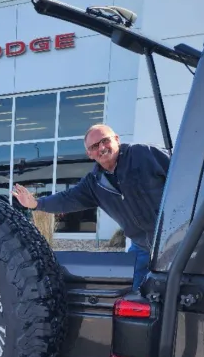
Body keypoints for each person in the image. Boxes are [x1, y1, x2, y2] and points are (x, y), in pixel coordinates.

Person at [12, 124, 172, 290]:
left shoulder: (144, 154)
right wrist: (37, 204)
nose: (102, 148)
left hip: (175, 241)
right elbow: (66, 199)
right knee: (136, 294)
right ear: (89, 154)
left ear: (116, 139)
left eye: (105, 141)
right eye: (95, 146)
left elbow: (184, 172)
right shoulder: (94, 184)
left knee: (180, 291)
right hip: (142, 247)